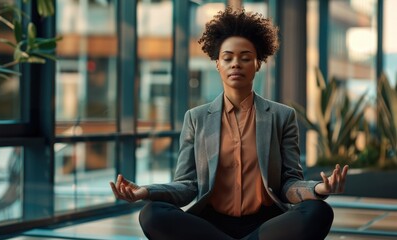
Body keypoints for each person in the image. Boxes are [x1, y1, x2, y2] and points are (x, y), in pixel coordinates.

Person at [110, 7, 349, 240]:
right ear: (217, 63)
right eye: (228, 58)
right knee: (152, 214)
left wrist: (318, 190)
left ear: (258, 64)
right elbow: (187, 185)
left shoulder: (281, 116)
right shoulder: (196, 118)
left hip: (266, 223)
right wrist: (146, 191)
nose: (236, 64)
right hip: (211, 223)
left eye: (245, 58)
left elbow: (289, 182)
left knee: (318, 212)